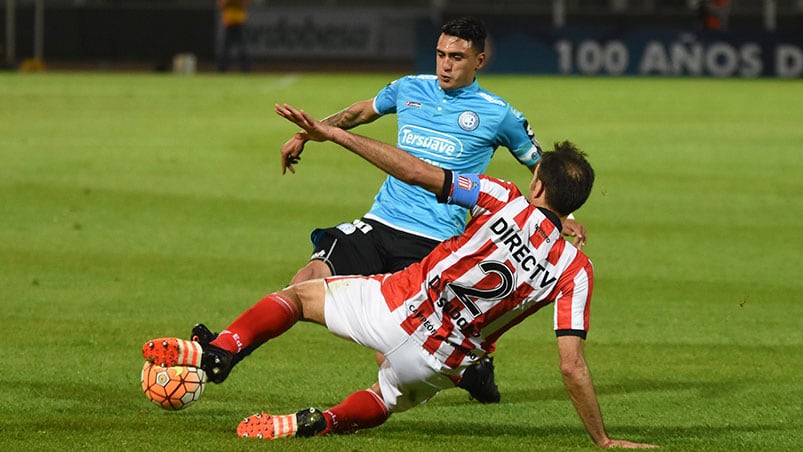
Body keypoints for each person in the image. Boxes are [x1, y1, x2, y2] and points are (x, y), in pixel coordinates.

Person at [141, 103, 657, 449]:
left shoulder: (501, 197)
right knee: (387, 398)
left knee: (299, 297)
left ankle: (223, 349)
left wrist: (333, 133)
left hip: (395, 304)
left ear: (536, 182)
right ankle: (326, 420)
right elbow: (572, 367)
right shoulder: (576, 269)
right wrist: (603, 441)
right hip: (440, 358)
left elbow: (413, 171)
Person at [279, 16, 587, 403]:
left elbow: (541, 164)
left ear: (480, 60)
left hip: (437, 243)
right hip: (382, 221)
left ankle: (471, 373)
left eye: (457, 57)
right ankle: (218, 351)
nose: (445, 64)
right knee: (303, 282)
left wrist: (567, 217)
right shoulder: (409, 88)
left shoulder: (499, 114)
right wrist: (306, 133)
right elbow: (358, 114)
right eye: (441, 54)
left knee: (393, 349)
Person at [217, 0, 251, 72]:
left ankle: (246, 70)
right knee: (225, 49)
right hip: (228, 23)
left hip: (240, 22)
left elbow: (246, 4)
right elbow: (221, 5)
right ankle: (221, 70)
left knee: (242, 48)